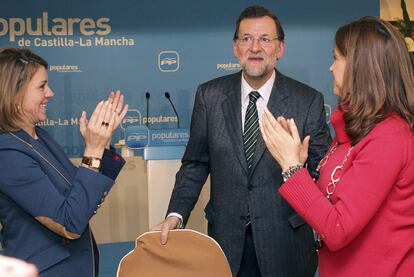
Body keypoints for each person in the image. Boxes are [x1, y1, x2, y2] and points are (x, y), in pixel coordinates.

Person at [153, 5, 331, 277]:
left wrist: (299, 165)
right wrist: (175, 215)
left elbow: (323, 172)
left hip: (287, 244)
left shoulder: (307, 101)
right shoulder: (209, 96)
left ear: (280, 48)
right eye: (246, 39)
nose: (255, 47)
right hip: (226, 243)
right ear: (236, 47)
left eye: (265, 39)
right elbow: (195, 165)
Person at [260, 16, 414, 276]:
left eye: (337, 58)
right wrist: (297, 164)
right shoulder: (354, 131)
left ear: (360, 68)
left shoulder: (389, 137)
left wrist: (290, 168)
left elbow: (337, 229)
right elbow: (328, 205)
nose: (331, 68)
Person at [0, 47, 128, 276]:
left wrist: (101, 145)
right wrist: (93, 149)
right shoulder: (6, 154)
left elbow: (81, 199)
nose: (50, 93)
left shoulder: (40, 138)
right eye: (41, 86)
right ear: (15, 95)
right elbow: (69, 223)